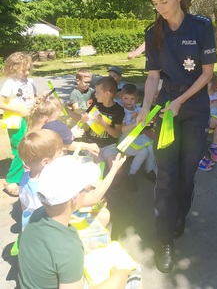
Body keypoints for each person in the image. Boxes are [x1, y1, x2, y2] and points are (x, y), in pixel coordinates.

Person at [136, 0, 217, 273]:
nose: (160, 8)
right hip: (165, 109)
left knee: (187, 171)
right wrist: (146, 107)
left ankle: (181, 212)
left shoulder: (201, 27)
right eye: (155, 3)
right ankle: (164, 236)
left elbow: (207, 74)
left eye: (165, 1)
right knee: (166, 173)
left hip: (193, 106)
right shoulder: (153, 32)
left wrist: (180, 102)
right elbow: (153, 76)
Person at [18, 155, 134, 289]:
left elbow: (52, 252)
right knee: (135, 280)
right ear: (75, 198)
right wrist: (120, 275)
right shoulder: (69, 247)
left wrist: (86, 247)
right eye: (85, 189)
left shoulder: (37, 214)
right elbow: (64, 252)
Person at [0, 52, 37, 196]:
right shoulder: (10, 83)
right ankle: (10, 180)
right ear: (13, 68)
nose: (27, 72)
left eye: (28, 69)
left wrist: (39, 101)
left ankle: (25, 174)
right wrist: (18, 109)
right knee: (20, 150)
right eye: (24, 70)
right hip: (16, 122)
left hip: (30, 119)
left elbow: (32, 99)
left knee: (30, 147)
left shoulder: (30, 81)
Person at [28, 93, 100, 157]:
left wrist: (81, 122)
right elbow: (64, 145)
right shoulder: (40, 136)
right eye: (56, 119)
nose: (57, 122)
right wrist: (86, 146)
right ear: (46, 120)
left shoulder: (34, 128)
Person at [120, 83, 156, 191]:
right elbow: (122, 130)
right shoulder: (121, 110)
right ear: (121, 97)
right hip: (124, 140)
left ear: (136, 99)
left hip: (137, 138)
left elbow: (148, 122)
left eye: (132, 99)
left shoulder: (138, 109)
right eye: (126, 98)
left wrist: (150, 120)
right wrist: (137, 122)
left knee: (152, 146)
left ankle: (149, 170)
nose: (129, 101)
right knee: (144, 151)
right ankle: (131, 174)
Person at [86, 76, 124, 171]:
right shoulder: (96, 104)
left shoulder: (118, 110)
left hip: (109, 145)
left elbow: (116, 134)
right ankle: (100, 184)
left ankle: (115, 185)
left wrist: (103, 124)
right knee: (99, 167)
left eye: (98, 92)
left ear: (107, 93)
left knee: (117, 169)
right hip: (92, 144)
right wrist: (65, 109)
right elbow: (83, 123)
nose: (95, 94)